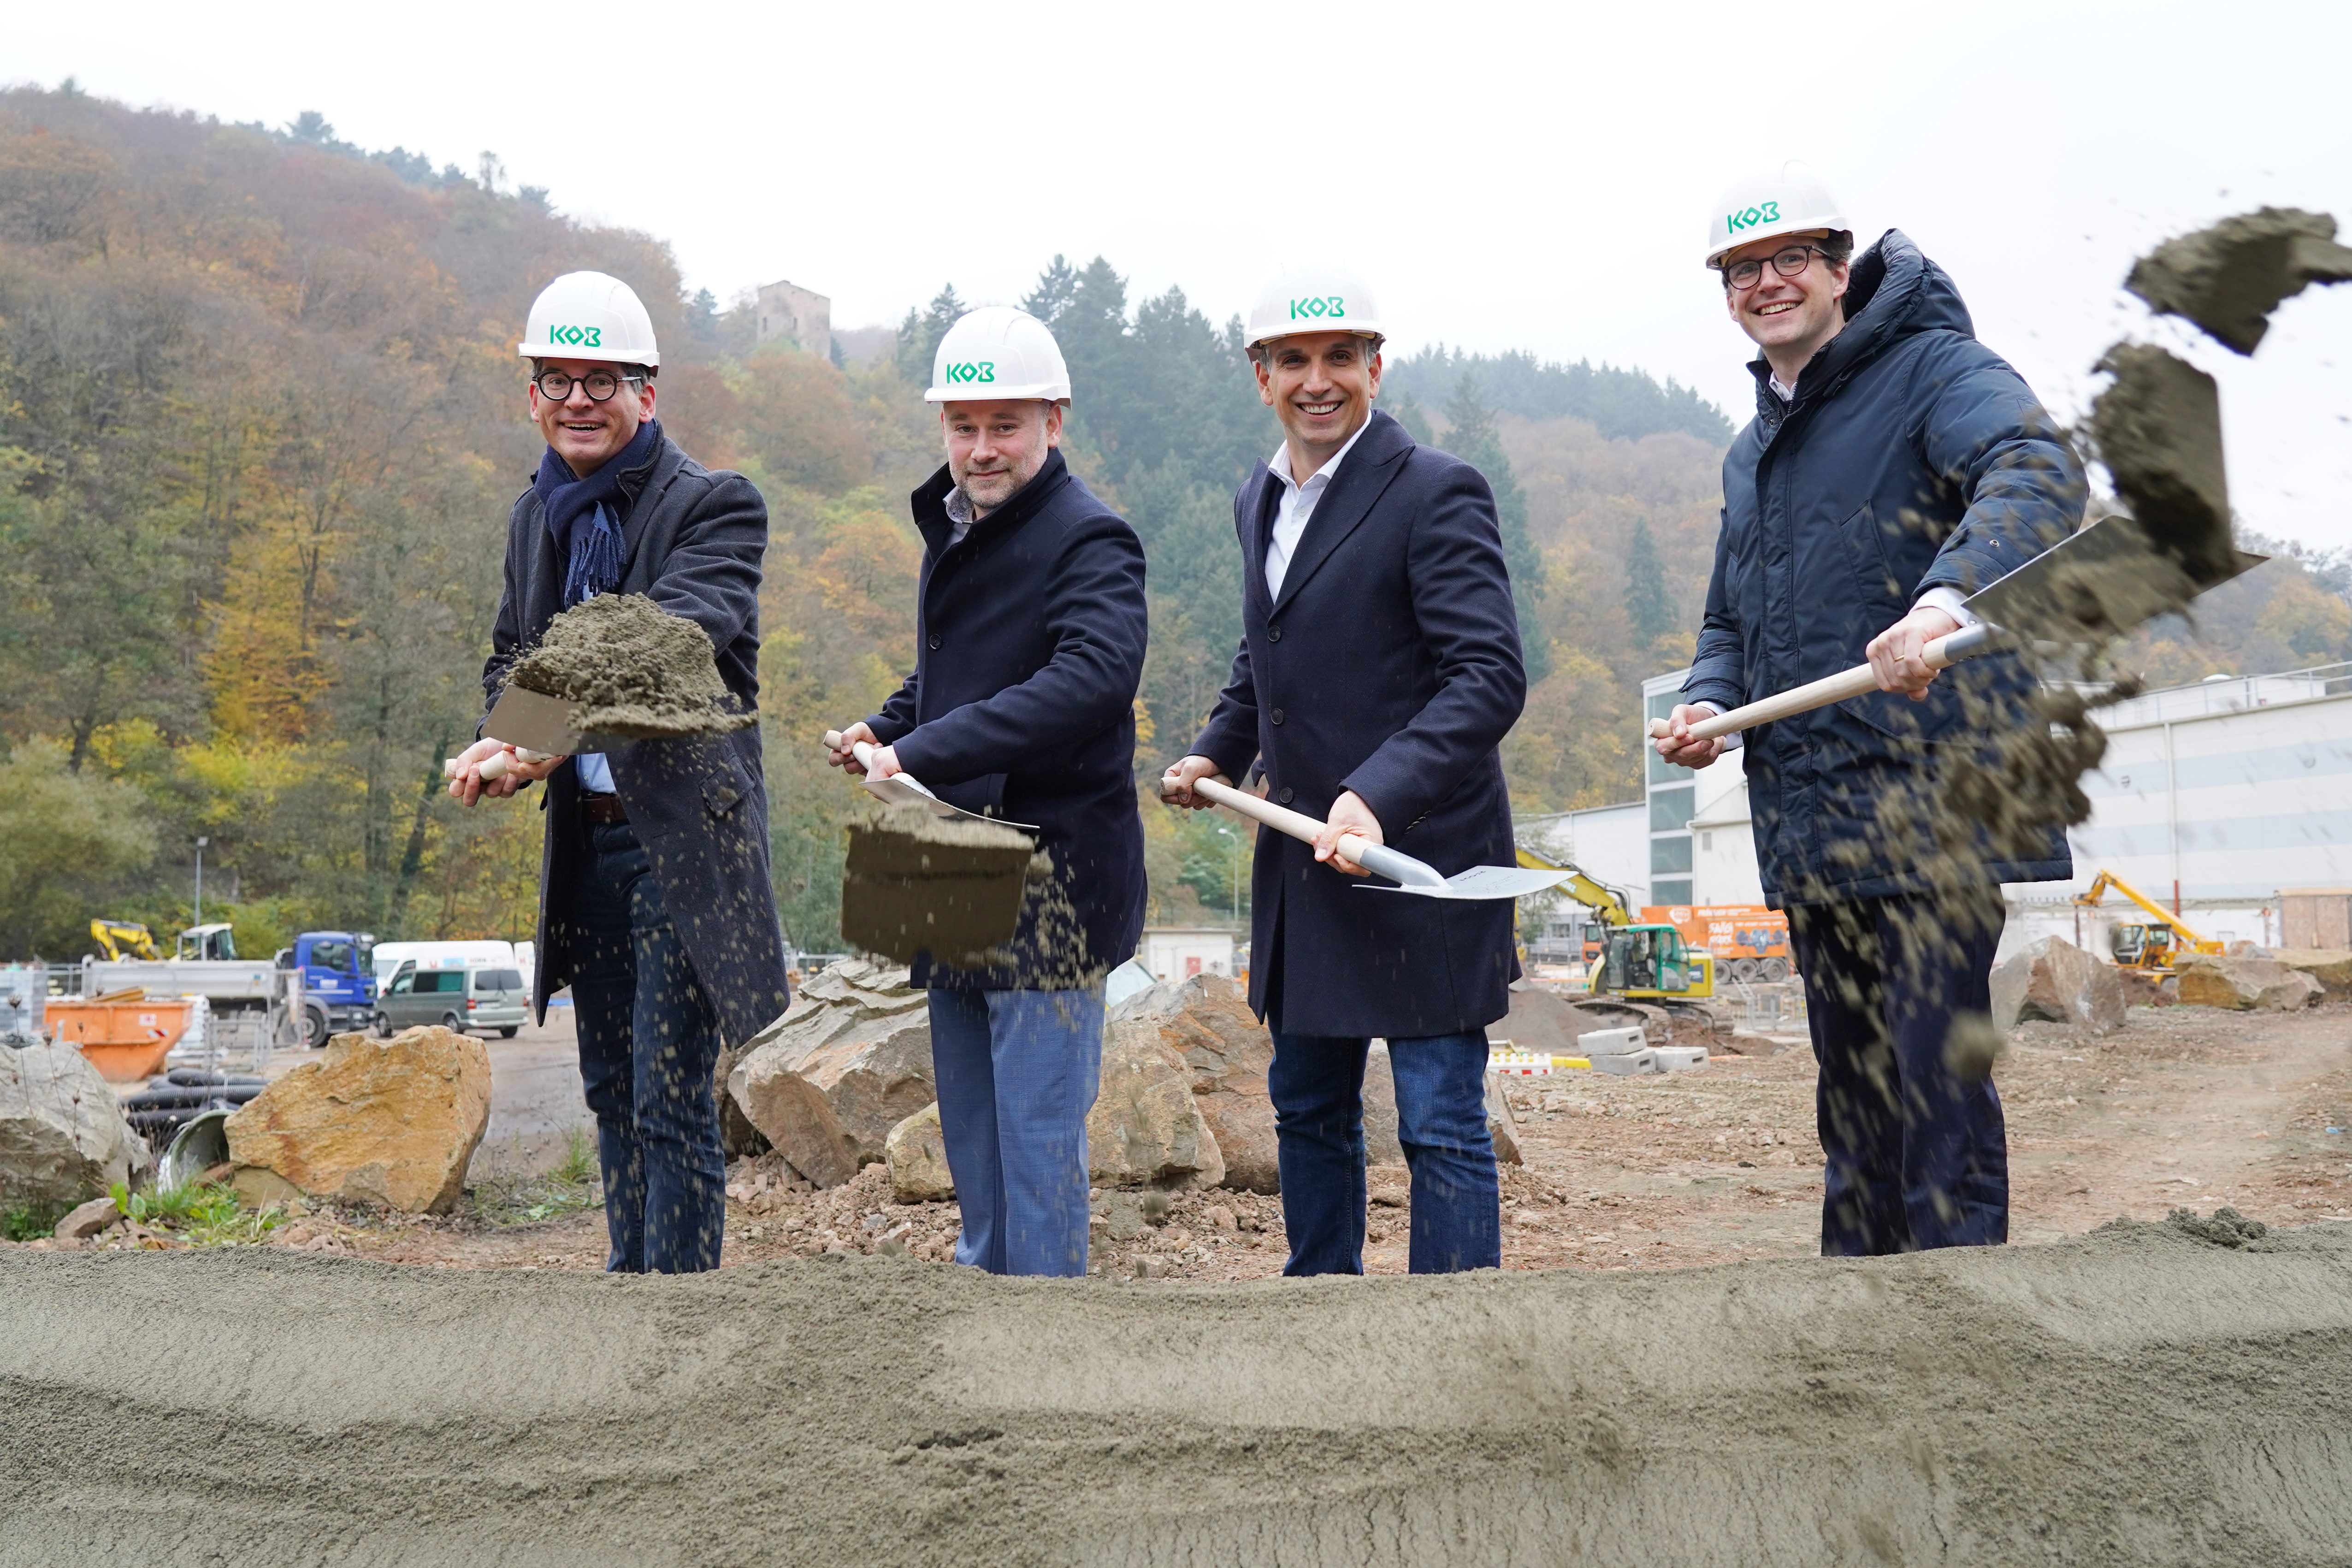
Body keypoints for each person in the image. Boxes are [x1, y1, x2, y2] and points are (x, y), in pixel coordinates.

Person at [1655, 166, 2083, 1255]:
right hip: (1815, 819)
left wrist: (1944, 600)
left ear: (1840, 268)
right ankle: (1857, 1332)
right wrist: (1710, 704)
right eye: (1742, 270)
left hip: (1938, 809)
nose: (1768, 283)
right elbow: (1726, 624)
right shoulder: (1750, 456)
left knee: (1939, 1090)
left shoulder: (1932, 371)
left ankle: (1962, 1330)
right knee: (1851, 1101)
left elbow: (2034, 468)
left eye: (1791, 259)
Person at [1160, 266, 1526, 1276]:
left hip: (1420, 865)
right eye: (1292, 362)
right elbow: (1264, 666)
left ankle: (1455, 1340)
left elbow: (1487, 678)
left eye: (1336, 359)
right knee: (1306, 1108)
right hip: (1305, 864)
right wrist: (1215, 751)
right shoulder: (1257, 497)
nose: (1315, 381)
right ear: (1259, 375)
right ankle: (1322, 1318)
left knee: (1439, 1121)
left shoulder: (1436, 489)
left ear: (1375, 365)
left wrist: (1376, 796)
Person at [448, 271, 791, 1274]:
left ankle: (673, 1327)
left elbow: (670, 639)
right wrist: (507, 744)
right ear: (532, 397)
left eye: (604, 379)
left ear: (649, 392)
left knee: (667, 1095)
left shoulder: (714, 508)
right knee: (608, 1088)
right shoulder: (535, 517)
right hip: (588, 845)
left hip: (680, 842)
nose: (580, 400)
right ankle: (624, 1298)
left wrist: (541, 732)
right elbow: (513, 656)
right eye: (559, 379)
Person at [826, 306, 1147, 1277]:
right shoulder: (953, 528)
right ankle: (980, 1317)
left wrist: (920, 748)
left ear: (1054, 420)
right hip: (948, 855)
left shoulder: (1094, 540)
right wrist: (885, 728)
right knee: (972, 1128)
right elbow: (952, 672)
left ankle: (1044, 1355)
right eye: (963, 426)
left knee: (1038, 1139)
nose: (981, 447)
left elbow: (1087, 680)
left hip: (1053, 876)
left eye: (1004, 425)